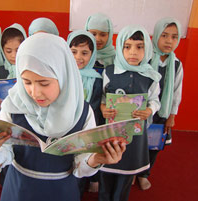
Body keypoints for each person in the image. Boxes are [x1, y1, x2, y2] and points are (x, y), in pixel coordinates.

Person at [0, 33, 126, 201]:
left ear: (63, 76)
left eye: (44, 83)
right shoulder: (13, 105)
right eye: (26, 82)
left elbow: (80, 166)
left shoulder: (81, 111)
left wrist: (96, 158)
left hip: (61, 191)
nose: (35, 92)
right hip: (20, 189)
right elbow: (5, 154)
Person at [98, 25, 162, 201]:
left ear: (147, 48)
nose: (133, 52)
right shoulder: (110, 72)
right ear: (120, 47)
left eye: (139, 47)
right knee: (106, 171)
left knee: (126, 176)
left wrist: (149, 110)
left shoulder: (151, 76)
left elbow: (155, 100)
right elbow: (103, 97)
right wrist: (104, 108)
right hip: (111, 134)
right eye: (127, 46)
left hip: (135, 136)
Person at [136, 18, 184, 190]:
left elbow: (176, 93)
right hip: (141, 110)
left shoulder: (177, 64)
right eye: (164, 35)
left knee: (153, 145)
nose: (169, 41)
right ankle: (133, 169)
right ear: (155, 35)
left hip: (161, 113)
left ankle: (143, 174)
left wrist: (172, 116)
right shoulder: (145, 59)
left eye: (174, 37)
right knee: (136, 142)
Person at [67, 30, 103, 197]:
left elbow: (94, 107)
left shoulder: (96, 79)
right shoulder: (62, 75)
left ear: (93, 54)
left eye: (84, 53)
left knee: (80, 165)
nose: (78, 57)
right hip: (63, 129)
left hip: (84, 130)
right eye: (73, 51)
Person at [0, 23, 27, 186]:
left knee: (22, 159)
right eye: (8, 51)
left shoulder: (29, 69)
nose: (13, 55)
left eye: (18, 50)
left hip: (24, 123)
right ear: (2, 50)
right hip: (4, 121)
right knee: (5, 158)